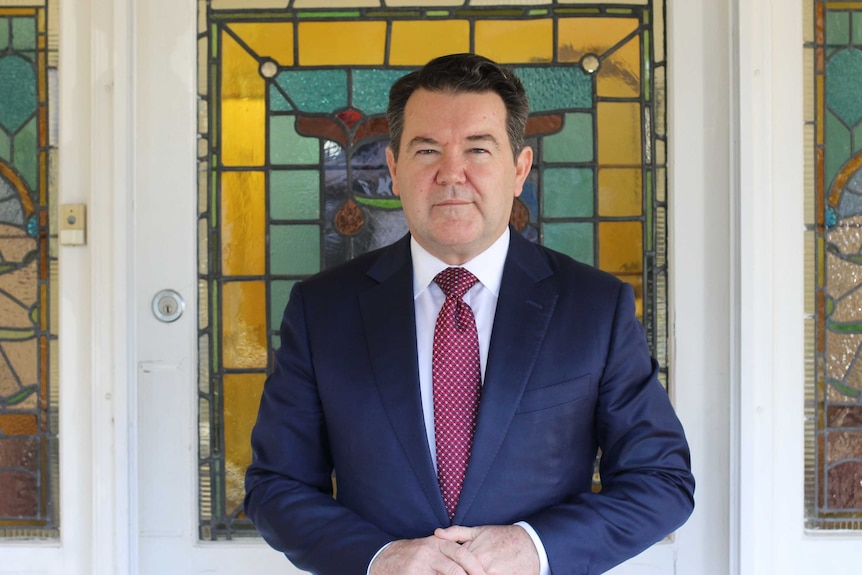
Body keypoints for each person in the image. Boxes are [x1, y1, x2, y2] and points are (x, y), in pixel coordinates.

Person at [245, 53, 694, 575]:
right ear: (393, 168)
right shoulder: (322, 309)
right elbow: (276, 485)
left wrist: (534, 547)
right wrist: (380, 558)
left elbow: (661, 481)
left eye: (477, 149)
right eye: (427, 149)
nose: (451, 173)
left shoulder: (594, 307)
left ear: (519, 168)